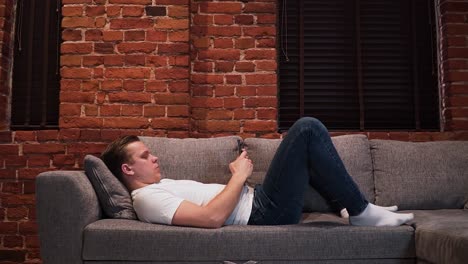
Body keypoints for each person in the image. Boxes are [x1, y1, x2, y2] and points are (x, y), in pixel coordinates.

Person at [101, 117, 414, 228]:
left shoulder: (159, 185)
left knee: (308, 156)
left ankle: (352, 206)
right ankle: (361, 211)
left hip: (260, 201)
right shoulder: (146, 199)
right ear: (127, 168)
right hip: (264, 212)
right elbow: (211, 219)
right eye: (145, 155)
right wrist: (239, 174)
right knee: (307, 129)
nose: (154, 157)